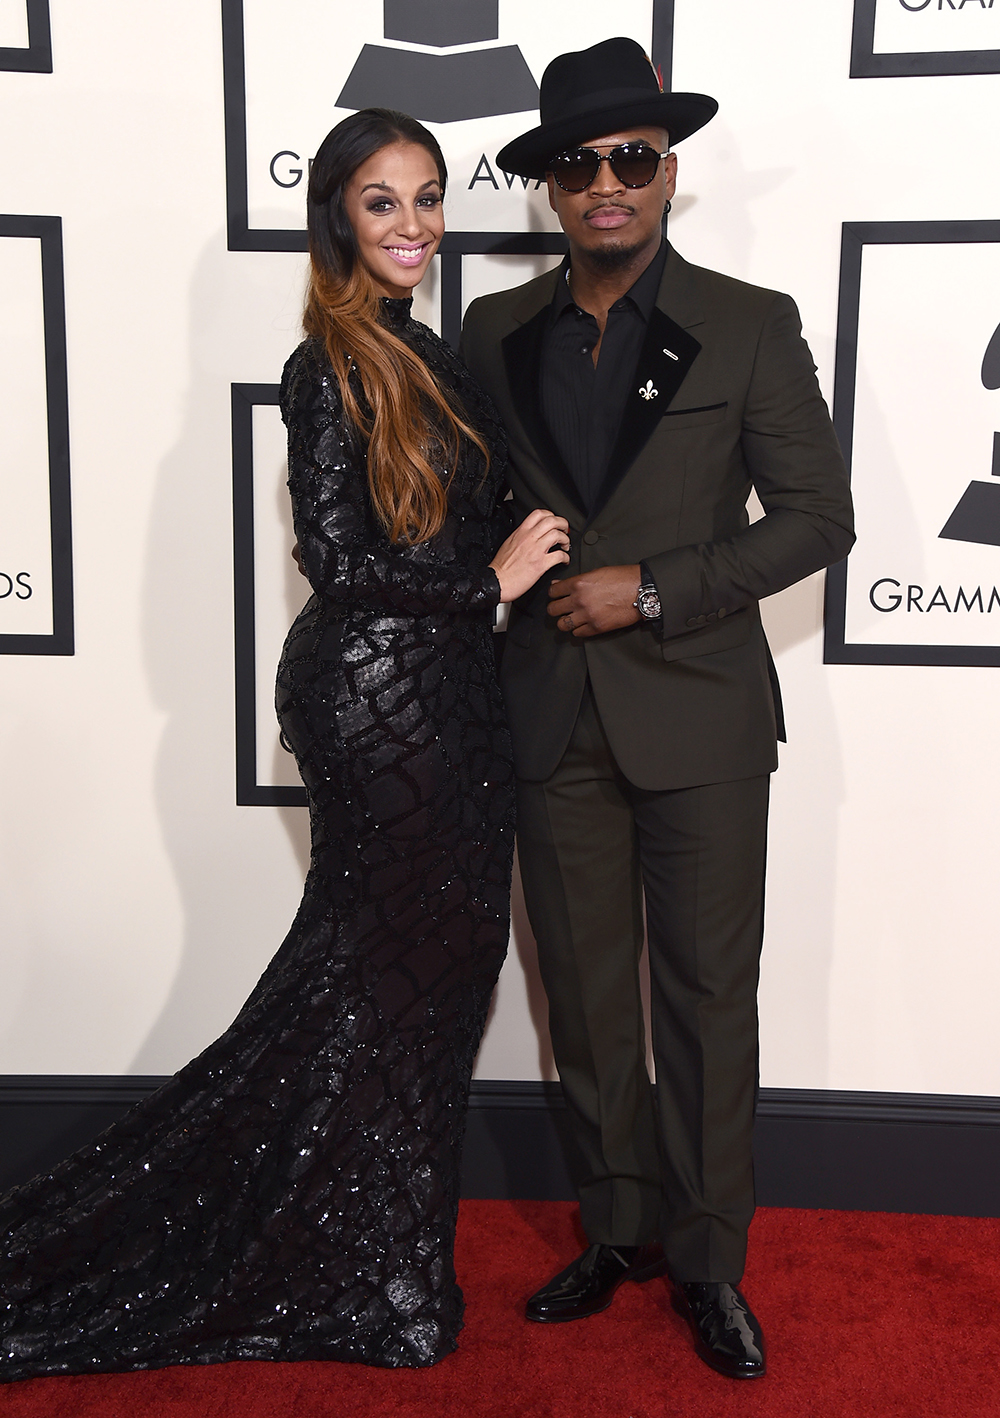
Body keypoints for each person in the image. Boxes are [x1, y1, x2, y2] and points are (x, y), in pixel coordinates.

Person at [0, 108, 569, 1380]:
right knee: (383, 986)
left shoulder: (430, 355)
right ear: (336, 222)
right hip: (380, 706)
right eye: (382, 201)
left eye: (428, 196)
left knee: (413, 994)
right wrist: (487, 583)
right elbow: (339, 559)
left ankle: (372, 1257)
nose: (414, 222)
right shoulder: (332, 363)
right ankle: (373, 1272)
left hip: (450, 699)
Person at [460, 39, 855, 1380]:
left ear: (669, 169)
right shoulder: (492, 332)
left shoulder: (750, 322)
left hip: (697, 712)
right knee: (582, 996)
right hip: (548, 715)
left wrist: (651, 591)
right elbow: (457, 507)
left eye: (633, 158)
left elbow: (818, 519)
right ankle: (616, 1226)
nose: (607, 185)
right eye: (579, 164)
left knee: (702, 999)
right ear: (550, 188)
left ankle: (707, 1258)